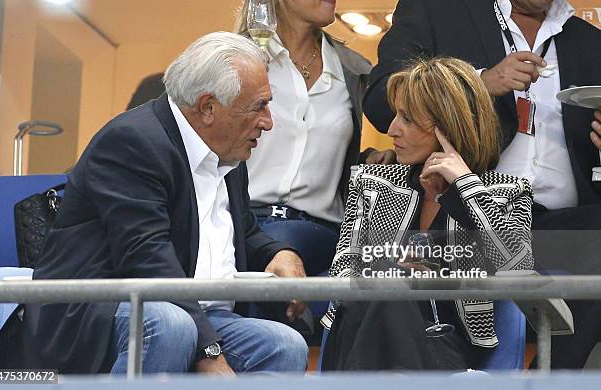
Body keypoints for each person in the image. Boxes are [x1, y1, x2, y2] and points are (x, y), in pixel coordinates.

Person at [0, 32, 308, 375]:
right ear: (208, 107)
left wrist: (277, 253)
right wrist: (210, 352)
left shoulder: (229, 149)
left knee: (285, 345)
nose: (268, 122)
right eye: (258, 106)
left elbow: (240, 228)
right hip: (96, 313)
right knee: (169, 325)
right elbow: (145, 257)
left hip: (198, 313)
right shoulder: (133, 142)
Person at [363, 0, 601, 368]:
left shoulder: (590, 41)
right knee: (386, 279)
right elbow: (381, 102)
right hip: (466, 213)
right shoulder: (435, 10)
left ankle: (549, 376)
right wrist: (478, 82)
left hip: (558, 224)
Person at [321, 57, 534, 371]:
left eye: (407, 119)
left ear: (449, 125)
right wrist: (393, 269)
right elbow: (343, 272)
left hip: (444, 349)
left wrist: (465, 186)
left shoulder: (506, 192)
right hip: (363, 337)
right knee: (388, 289)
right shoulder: (373, 184)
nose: (392, 129)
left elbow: (517, 269)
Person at [234, 0, 396, 279]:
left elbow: (323, 153)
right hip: (243, 223)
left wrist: (365, 160)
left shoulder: (355, 70)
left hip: (322, 233)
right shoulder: (234, 58)